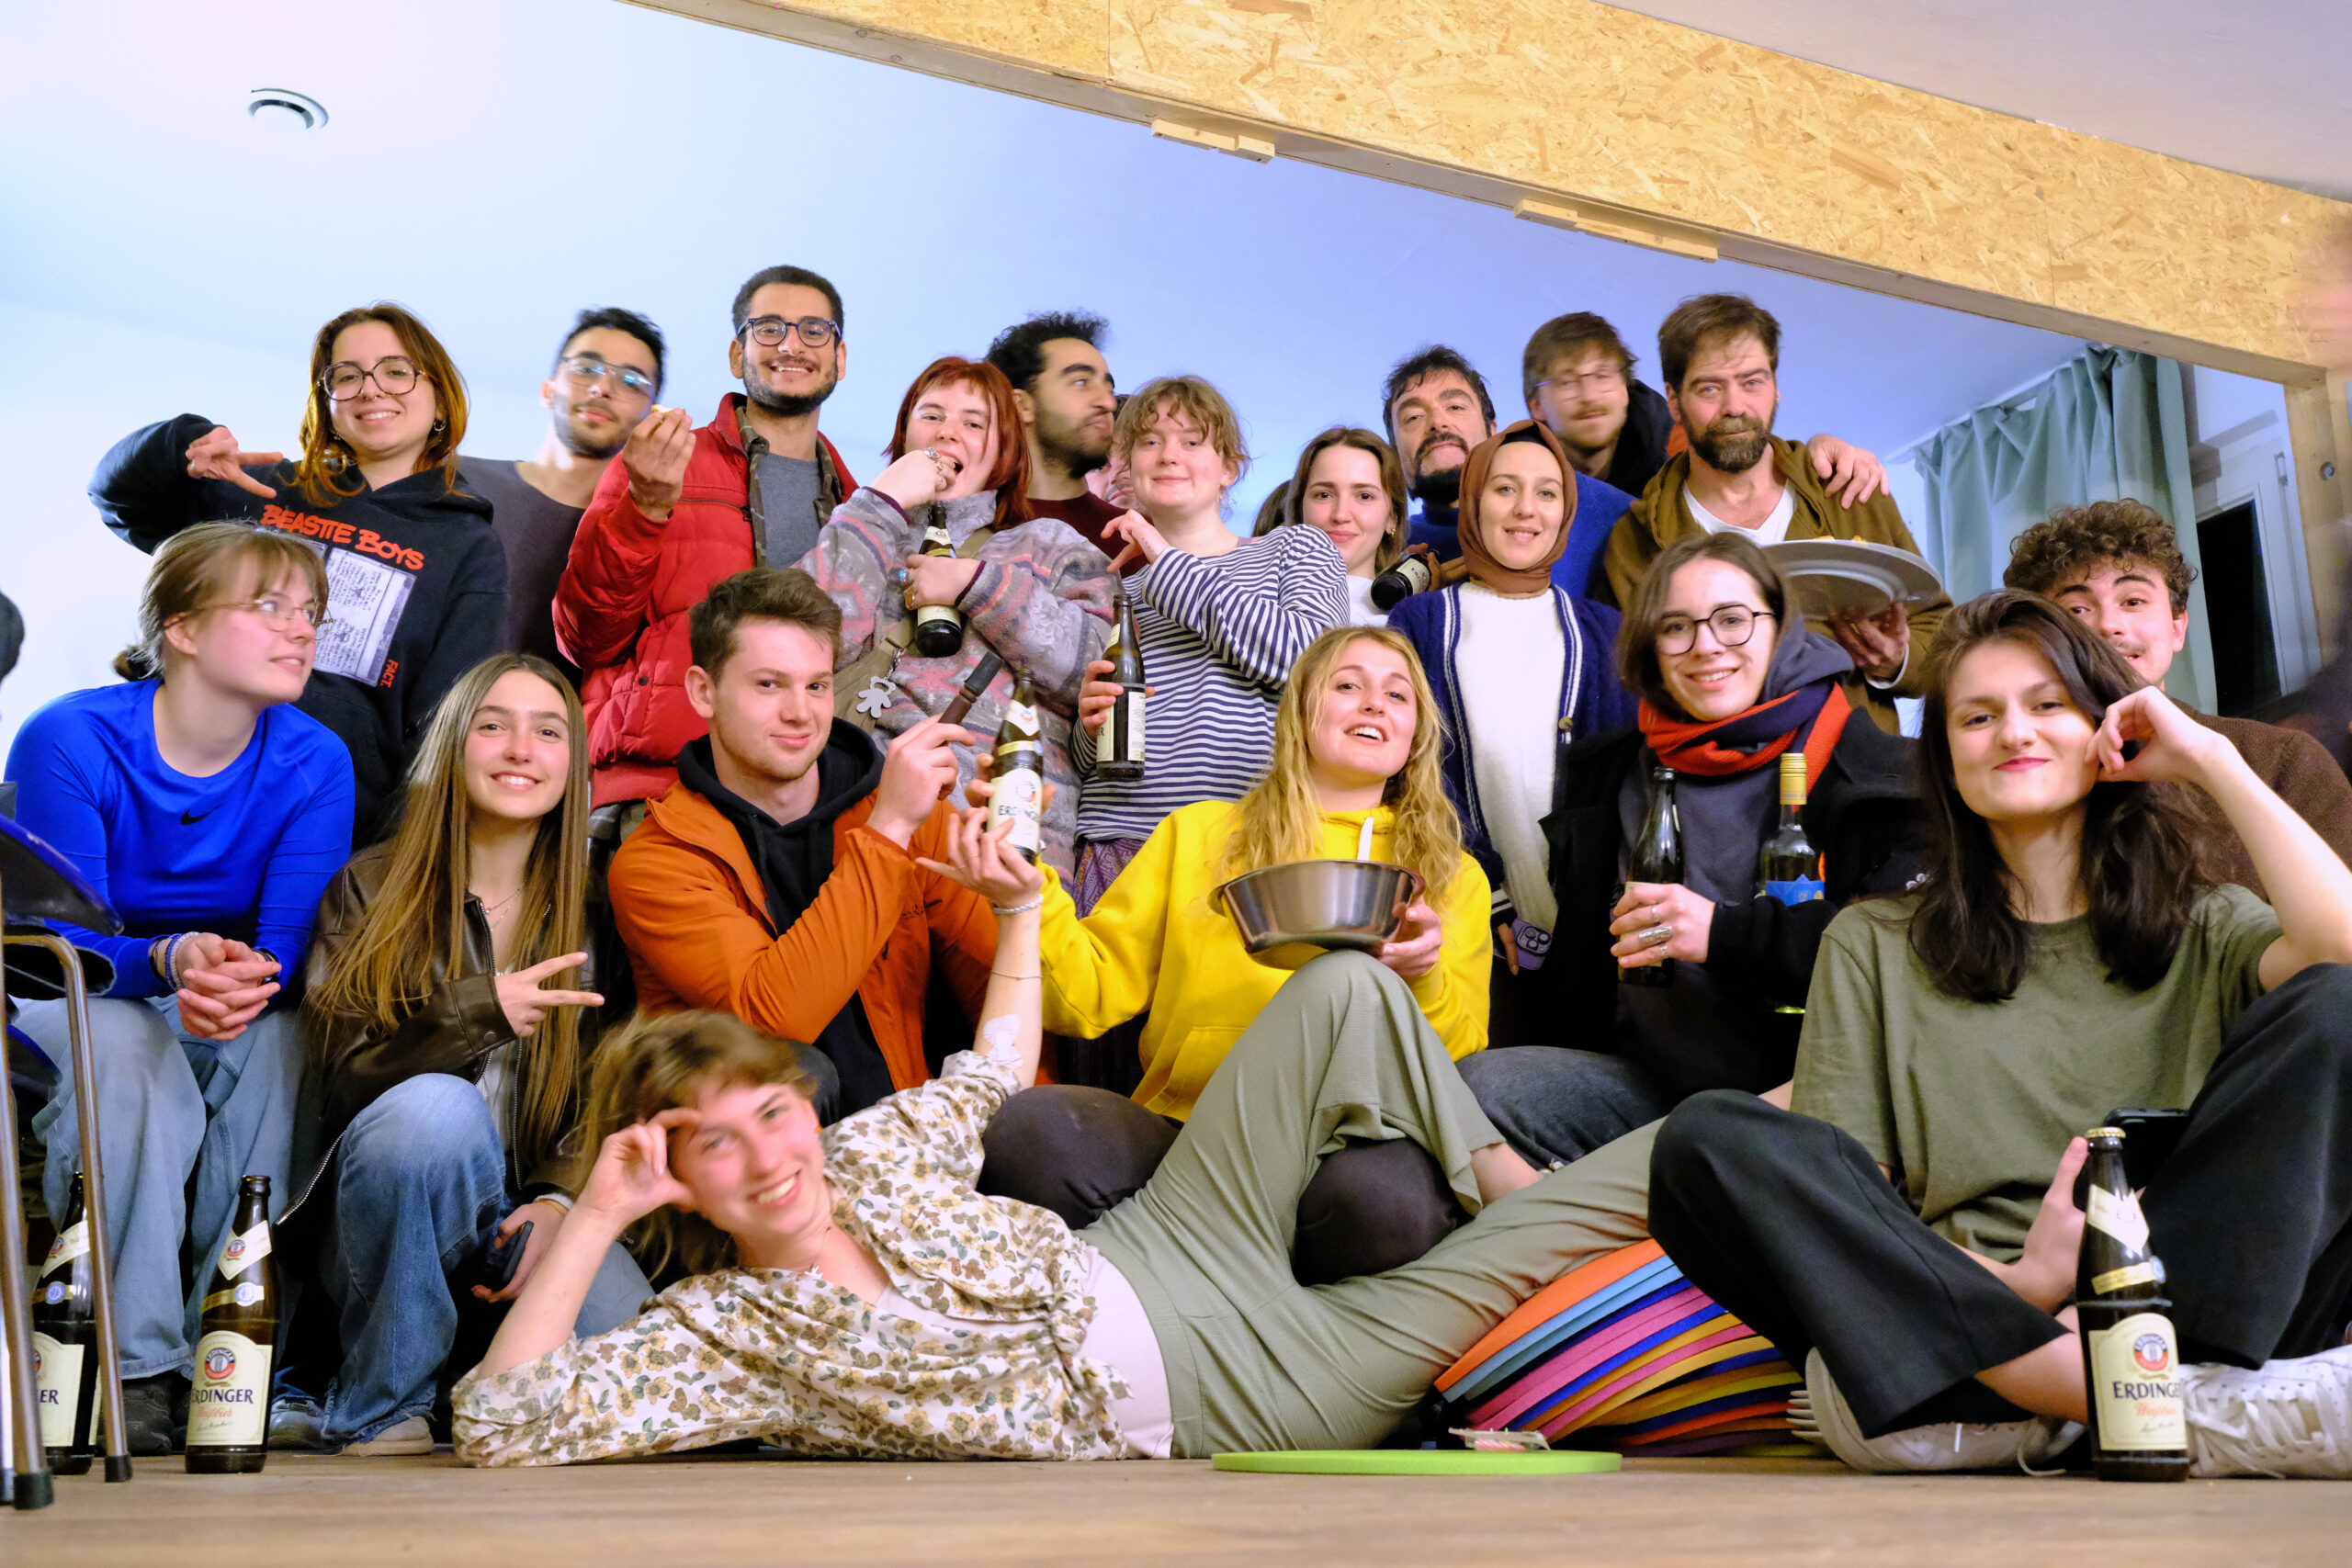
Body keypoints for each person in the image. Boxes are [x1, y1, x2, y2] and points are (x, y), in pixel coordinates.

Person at [448, 829, 1657, 1467]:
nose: (768, 1158)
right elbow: (499, 1423)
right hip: (1239, 1388)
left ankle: (1489, 1164)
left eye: (770, 1112)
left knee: (1343, 983)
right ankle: (1725, 1152)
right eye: (716, 1146)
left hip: (1166, 1238)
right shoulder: (726, 1336)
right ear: (680, 1185)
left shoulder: (868, 1149)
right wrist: (598, 1211)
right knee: (1611, 1196)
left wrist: (1022, 910)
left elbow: (992, 1061)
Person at [1650, 591, 2352, 1477]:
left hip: (2175, 1306)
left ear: (2107, 728)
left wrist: (2210, 760)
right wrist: (2024, 1285)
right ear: (1946, 759)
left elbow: (2342, 956)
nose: (2014, 732)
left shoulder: (2210, 921)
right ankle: (2121, 1398)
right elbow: (1852, 1211)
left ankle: (2087, 1398)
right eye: (1977, 717)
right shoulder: (1872, 943)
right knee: (1707, 1138)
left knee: (2337, 1002)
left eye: (2048, 704)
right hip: (1962, 1326)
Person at [980, 626, 1492, 1283]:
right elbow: (1081, 995)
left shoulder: (1452, 876)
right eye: (1347, 685)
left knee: (1393, 1203)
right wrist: (1029, 888)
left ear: (1415, 734)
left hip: (1348, 1148)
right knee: (1030, 1132)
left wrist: (1419, 977)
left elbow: (1459, 1060)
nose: (1373, 703)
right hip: (1186, 1135)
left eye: (1397, 695)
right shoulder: (1198, 834)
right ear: (1300, 710)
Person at [6, 524, 354, 1453]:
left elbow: (287, 945)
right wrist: (167, 961)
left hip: (216, 994)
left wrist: (236, 984)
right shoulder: (70, 737)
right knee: (127, 1041)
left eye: (310, 613)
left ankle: (226, 1356)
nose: (301, 630)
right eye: (269, 606)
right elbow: (53, 943)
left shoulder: (317, 758)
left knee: (282, 1044)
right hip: (74, 991)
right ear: (183, 628)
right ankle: (134, 1368)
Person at [1457, 529, 1926, 1165]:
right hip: (1650, 1085)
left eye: (1732, 620)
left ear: (1780, 626)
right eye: (1676, 627)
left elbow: (1899, 961)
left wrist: (1721, 933)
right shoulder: (1613, 769)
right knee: (1474, 1088)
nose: (1706, 646)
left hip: (1806, 1097)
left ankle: (1644, 1190)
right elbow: (1577, 970)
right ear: (1650, 648)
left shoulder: (1878, 769)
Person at [287, 654, 655, 1456]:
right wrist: (477, 1012)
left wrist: (559, 1201)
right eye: (493, 725)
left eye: (548, 731)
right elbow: (344, 1087)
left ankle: (468, 1377)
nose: (521, 748)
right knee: (434, 1110)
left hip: (521, 1226)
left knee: (644, 1374)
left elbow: (616, 1087)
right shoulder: (371, 888)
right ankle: (383, 1405)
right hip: (385, 1233)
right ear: (454, 746)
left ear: (573, 762)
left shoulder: (601, 904)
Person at [89, 301, 507, 838]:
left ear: (441, 398)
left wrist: (391, 857)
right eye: (347, 376)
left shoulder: (467, 545)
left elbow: (444, 725)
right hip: (165, 788)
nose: (371, 390)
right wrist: (180, 446)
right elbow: (115, 497)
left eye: (397, 371)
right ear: (325, 402)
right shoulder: (260, 489)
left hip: (325, 821)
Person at [606, 568, 998, 1118]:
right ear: (703, 692)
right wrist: (888, 829)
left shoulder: (908, 813)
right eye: (769, 685)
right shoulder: (657, 863)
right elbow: (775, 1020)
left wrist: (1015, 1136)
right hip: (764, 1157)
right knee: (805, 1072)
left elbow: (999, 991)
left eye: (816, 685)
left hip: (915, 1136)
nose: (800, 713)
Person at [799, 356, 1116, 875]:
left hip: (1001, 835)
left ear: (1005, 450)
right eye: (931, 416)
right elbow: (803, 646)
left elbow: (1098, 667)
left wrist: (977, 584)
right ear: (904, 435)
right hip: (852, 817)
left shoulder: (1052, 545)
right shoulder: (863, 527)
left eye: (974, 423)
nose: (948, 433)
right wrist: (881, 503)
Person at [555, 264, 857, 809]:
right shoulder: (661, 463)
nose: (792, 345)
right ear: (738, 355)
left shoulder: (858, 509)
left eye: (814, 330)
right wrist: (646, 508)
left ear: (840, 358)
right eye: (769, 328)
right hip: (660, 789)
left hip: (808, 806)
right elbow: (586, 638)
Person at [1387, 421, 1637, 1041]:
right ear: (1473, 502)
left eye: (1547, 493)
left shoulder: (1606, 630)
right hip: (1472, 923)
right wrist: (1483, 892)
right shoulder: (1421, 621)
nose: (1527, 509)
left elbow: (1631, 781)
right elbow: (1413, 771)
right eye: (1504, 488)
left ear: (1566, 510)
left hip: (1599, 941)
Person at [1603, 293, 1949, 736]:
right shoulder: (1637, 537)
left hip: (1854, 767)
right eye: (1709, 388)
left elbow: (1940, 632)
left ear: (1775, 386)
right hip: (1710, 768)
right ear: (1673, 400)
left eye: (1752, 382)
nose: (1735, 407)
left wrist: (1896, 661)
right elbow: (1628, 683)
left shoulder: (1849, 491)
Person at [1069, 376, 1346, 908]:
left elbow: (1312, 667)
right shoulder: (1111, 591)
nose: (1169, 455)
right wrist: (1089, 725)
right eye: (1149, 441)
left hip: (1251, 838)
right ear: (1129, 467)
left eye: (1192, 441)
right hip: (1120, 841)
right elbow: (1088, 760)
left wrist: (1166, 563)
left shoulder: (1294, 548)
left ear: (1229, 469)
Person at [2003, 499, 2352, 895]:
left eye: (2133, 601)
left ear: (2177, 628)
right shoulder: (2020, 769)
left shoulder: (2282, 762)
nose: (2109, 625)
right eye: (2077, 609)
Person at [465, 308, 667, 675]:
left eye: (631, 381)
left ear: (651, 415)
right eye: (586, 369)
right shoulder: (457, 480)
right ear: (548, 389)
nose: (602, 388)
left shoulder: (643, 542)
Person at [1381, 344, 1630, 600]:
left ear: (1493, 431)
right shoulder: (1387, 554)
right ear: (1394, 455)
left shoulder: (1602, 510)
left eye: (1455, 407)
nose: (1437, 422)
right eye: (1413, 417)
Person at [985, 310, 1129, 566]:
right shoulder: (960, 533)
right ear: (1021, 405)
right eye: (1081, 382)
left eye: (1109, 388)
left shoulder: (1139, 541)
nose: (1108, 403)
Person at [1277, 427, 1411, 627]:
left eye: (1364, 496)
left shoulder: (1410, 624)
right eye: (1324, 495)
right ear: (1299, 509)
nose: (1340, 515)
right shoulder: (1252, 600)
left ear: (1393, 519)